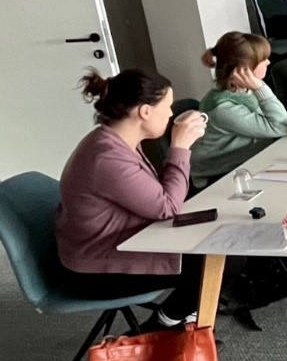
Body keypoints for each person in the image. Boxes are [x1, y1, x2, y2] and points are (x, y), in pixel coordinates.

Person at [56, 69, 210, 330]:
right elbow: (167, 207)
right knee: (217, 257)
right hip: (94, 269)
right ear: (145, 111)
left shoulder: (114, 141)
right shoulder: (106, 157)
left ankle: (183, 316)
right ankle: (162, 325)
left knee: (215, 238)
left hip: (115, 242)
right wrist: (180, 147)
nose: (171, 114)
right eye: (168, 107)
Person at [191, 32, 287, 188]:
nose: (268, 62)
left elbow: (269, 121)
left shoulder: (243, 90)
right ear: (244, 69)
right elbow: (281, 127)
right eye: (263, 59)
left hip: (250, 162)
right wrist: (259, 87)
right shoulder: (222, 108)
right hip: (221, 178)